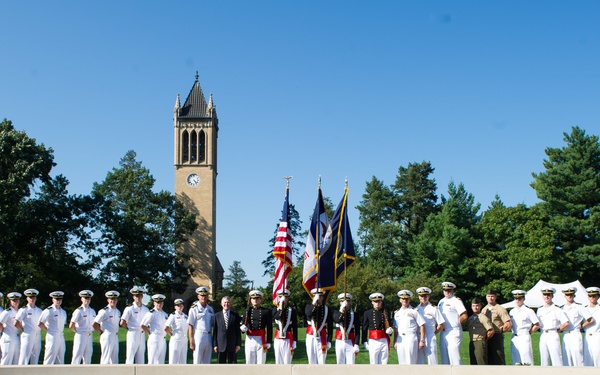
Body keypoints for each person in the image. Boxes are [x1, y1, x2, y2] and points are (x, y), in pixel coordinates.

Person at [537, 287, 569, 366]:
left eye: (549, 295)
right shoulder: (540, 309)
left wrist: (558, 330)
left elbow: (566, 323)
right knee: (544, 358)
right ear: (542, 296)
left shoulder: (557, 309)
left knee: (556, 358)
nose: (547, 297)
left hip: (553, 334)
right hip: (543, 334)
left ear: (552, 296)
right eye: (545, 295)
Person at [561, 287, 593, 366]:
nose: (569, 296)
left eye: (571, 294)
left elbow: (590, 319)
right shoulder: (562, 308)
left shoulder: (579, 307)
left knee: (577, 357)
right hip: (565, 335)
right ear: (564, 296)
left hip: (575, 334)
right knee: (566, 359)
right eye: (567, 295)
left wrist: (581, 326)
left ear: (574, 295)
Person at [438, 281, 467, 365]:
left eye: (449, 290)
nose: (447, 292)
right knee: (444, 358)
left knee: (454, 357)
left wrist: (457, 325)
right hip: (443, 332)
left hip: (453, 331)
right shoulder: (441, 302)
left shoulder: (456, 300)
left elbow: (464, 315)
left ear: (453, 290)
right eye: (445, 290)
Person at [393, 290, 425, 364]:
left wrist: (422, 340)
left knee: (411, 361)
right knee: (401, 361)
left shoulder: (414, 311)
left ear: (409, 300)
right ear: (400, 300)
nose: (405, 300)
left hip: (411, 337)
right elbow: (396, 328)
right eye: (403, 299)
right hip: (400, 338)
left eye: (407, 299)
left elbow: (422, 325)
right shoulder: (397, 313)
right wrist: (395, 341)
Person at [241, 290, 273, 364]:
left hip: (261, 339)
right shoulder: (247, 311)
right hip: (250, 338)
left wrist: (269, 341)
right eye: (253, 298)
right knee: (249, 361)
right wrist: (242, 328)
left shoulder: (266, 311)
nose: (255, 300)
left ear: (260, 299)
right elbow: (242, 324)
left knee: (261, 361)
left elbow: (269, 327)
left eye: (257, 298)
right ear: (251, 300)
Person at [415, 286, 445, 365]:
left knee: (432, 361)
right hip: (419, 336)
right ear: (419, 297)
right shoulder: (416, 309)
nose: (423, 298)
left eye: (425, 296)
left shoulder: (433, 309)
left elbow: (441, 324)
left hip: (430, 336)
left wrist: (434, 333)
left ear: (428, 296)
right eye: (421, 296)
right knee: (419, 361)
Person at [362, 292, 393, 364]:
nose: (377, 303)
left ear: (381, 302)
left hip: (383, 339)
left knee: (384, 361)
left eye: (379, 301)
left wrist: (390, 331)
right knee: (373, 361)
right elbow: (364, 328)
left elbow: (389, 325)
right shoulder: (368, 313)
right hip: (373, 340)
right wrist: (364, 341)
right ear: (372, 302)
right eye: (375, 301)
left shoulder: (385, 312)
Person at [120, 286, 149, 364]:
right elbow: (122, 322)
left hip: (142, 334)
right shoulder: (129, 308)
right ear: (133, 297)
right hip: (132, 333)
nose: (138, 297)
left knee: (141, 356)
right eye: (136, 296)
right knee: (130, 355)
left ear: (142, 296)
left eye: (139, 295)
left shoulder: (146, 309)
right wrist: (129, 328)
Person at [482, 289, 511, 365]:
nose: (490, 298)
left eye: (492, 296)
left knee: (498, 357)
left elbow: (507, 323)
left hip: (496, 335)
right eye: (488, 296)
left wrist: (501, 331)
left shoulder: (500, 309)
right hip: (486, 336)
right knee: (488, 357)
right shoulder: (484, 309)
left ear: (495, 297)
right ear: (486, 297)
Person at [304, 288, 332, 364]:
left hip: (322, 335)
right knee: (311, 358)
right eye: (317, 296)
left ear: (323, 297)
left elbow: (330, 326)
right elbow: (309, 314)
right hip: (311, 335)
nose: (319, 298)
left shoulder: (326, 309)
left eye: (321, 296)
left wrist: (329, 340)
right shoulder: (308, 307)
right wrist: (314, 304)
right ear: (313, 297)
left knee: (322, 360)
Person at [92, 291, 121, 364]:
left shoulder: (117, 311)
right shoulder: (104, 311)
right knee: (106, 358)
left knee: (114, 360)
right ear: (108, 300)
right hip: (107, 335)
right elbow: (94, 324)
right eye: (111, 299)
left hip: (115, 335)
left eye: (114, 299)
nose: (113, 301)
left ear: (117, 300)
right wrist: (101, 332)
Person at [187, 286, 214, 364]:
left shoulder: (210, 309)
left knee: (207, 361)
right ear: (198, 296)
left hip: (209, 336)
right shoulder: (194, 308)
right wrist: (191, 339)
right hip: (199, 336)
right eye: (201, 295)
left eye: (205, 295)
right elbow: (190, 325)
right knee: (197, 360)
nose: (203, 297)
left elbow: (213, 323)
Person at [38, 291, 67, 365]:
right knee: (49, 357)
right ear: (53, 300)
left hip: (61, 335)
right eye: (56, 299)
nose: (58, 301)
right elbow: (40, 323)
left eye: (60, 299)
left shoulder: (63, 312)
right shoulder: (48, 311)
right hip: (52, 335)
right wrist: (48, 330)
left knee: (61, 358)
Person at [15, 288, 42, 365]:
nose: (32, 299)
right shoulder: (23, 310)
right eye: (30, 297)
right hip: (28, 335)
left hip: (37, 334)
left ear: (36, 298)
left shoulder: (39, 310)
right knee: (24, 357)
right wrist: (23, 329)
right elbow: (16, 322)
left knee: (35, 357)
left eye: (33, 297)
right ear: (27, 298)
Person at [69, 290, 96, 364]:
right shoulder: (78, 311)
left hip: (89, 334)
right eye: (85, 298)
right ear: (81, 299)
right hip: (81, 334)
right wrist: (78, 332)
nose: (87, 300)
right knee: (77, 355)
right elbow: (71, 325)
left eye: (88, 298)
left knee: (88, 356)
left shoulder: (92, 311)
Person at [332, 292, 360, 364]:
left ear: (349, 302)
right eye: (342, 301)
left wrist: (356, 344)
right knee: (339, 361)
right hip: (339, 340)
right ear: (340, 302)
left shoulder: (354, 314)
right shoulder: (336, 312)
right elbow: (337, 320)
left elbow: (357, 331)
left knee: (351, 362)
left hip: (350, 341)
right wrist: (341, 310)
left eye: (347, 301)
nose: (345, 303)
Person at [141, 293, 168, 364]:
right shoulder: (151, 313)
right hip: (155, 338)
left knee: (161, 362)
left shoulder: (165, 314)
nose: (159, 304)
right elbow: (143, 325)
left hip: (163, 339)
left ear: (163, 303)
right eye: (157, 302)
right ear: (154, 303)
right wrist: (149, 333)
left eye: (160, 302)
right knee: (152, 361)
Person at [272, 289, 298, 364]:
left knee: (287, 361)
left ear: (288, 298)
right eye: (280, 297)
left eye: (285, 297)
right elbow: (277, 317)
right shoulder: (275, 310)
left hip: (288, 338)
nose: (283, 299)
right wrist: (281, 307)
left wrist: (295, 340)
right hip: (278, 339)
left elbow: (295, 327)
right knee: (278, 360)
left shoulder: (291, 310)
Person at [213, 296, 241, 363]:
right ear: (221, 304)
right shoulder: (216, 316)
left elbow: (238, 331)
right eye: (225, 302)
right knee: (221, 366)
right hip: (220, 345)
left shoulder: (235, 316)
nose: (226, 304)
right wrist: (215, 345)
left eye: (228, 302)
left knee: (233, 366)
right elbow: (215, 331)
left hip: (232, 345)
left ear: (230, 304)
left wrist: (238, 344)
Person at [468, 297, 494, 365]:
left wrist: (485, 339)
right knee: (473, 362)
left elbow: (491, 331)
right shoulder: (470, 318)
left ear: (480, 306)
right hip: (472, 341)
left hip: (479, 341)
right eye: (473, 306)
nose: (475, 307)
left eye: (477, 306)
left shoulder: (483, 317)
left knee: (481, 362)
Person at [0, 292, 22, 365]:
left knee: (16, 361)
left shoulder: (19, 311)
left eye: (17, 300)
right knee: (6, 360)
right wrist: (3, 330)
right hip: (8, 337)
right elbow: (0, 323)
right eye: (13, 301)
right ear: (10, 301)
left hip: (16, 337)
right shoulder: (7, 312)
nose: (15, 302)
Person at [164, 298, 188, 364]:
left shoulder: (185, 316)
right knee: (173, 360)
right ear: (175, 307)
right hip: (176, 339)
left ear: (183, 306)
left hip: (184, 339)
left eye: (181, 305)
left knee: (183, 361)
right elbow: (166, 327)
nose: (179, 307)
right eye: (178, 305)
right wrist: (171, 335)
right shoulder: (173, 315)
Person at [584, 286, 600, 366]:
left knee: (598, 359)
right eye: (590, 296)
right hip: (587, 336)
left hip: (597, 336)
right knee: (587, 360)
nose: (592, 297)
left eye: (594, 296)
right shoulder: (584, 309)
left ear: (598, 296)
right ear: (588, 297)